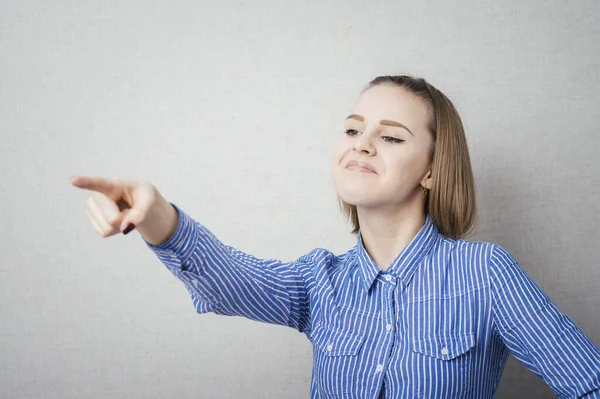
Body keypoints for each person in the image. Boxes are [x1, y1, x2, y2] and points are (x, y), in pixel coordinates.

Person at [70, 75, 600, 398]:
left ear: (433, 172)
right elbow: (230, 281)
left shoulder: (485, 274)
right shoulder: (319, 280)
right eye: (352, 129)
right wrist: (157, 214)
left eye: (391, 136)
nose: (362, 143)